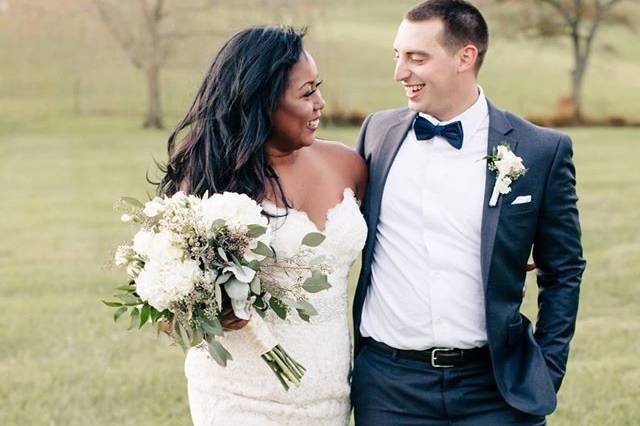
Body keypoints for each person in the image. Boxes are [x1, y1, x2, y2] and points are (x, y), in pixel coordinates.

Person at [351, 1, 586, 424]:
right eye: (397, 56)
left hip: (496, 388)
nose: (399, 73)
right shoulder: (377, 135)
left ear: (465, 57)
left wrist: (547, 370)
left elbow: (564, 268)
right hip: (389, 388)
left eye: (416, 58)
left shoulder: (539, 151)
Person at [158, 26, 367, 425]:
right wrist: (211, 313)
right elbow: (166, 306)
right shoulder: (206, 182)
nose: (320, 102)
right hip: (240, 396)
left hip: (332, 392)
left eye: (317, 88)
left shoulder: (348, 166)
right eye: (306, 93)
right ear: (262, 102)